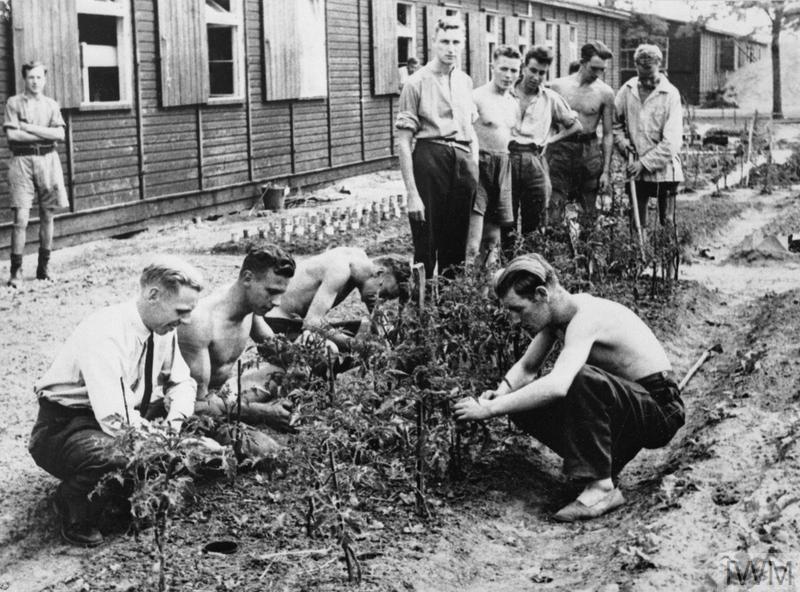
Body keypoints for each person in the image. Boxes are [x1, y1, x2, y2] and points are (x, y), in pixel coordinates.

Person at [454, 254, 684, 521]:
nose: (515, 320)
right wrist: (500, 394)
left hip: (659, 408)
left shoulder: (586, 318)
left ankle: (601, 488)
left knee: (577, 378)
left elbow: (559, 386)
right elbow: (527, 369)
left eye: (517, 309)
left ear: (541, 294)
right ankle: (603, 465)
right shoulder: (557, 319)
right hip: (630, 405)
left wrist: (489, 410)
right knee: (520, 402)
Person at [29, 256, 205, 546]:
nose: (185, 320)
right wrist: (166, 444)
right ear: (153, 295)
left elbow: (182, 381)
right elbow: (116, 421)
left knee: (190, 429)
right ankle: (73, 503)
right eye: (181, 311)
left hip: (124, 414)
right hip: (65, 427)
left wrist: (175, 423)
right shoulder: (106, 332)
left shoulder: (163, 328)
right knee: (118, 457)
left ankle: (119, 496)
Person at [395, 16, 480, 278]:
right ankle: (423, 311)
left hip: (463, 161)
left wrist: (473, 165)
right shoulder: (416, 82)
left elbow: (471, 128)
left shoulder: (465, 81)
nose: (450, 48)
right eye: (445, 41)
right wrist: (412, 194)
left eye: (456, 42)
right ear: (433, 42)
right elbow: (403, 141)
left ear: (463, 44)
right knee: (427, 241)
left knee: (456, 244)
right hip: (430, 158)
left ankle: (450, 311)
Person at [177, 246, 296, 430]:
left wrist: (306, 360)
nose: (278, 302)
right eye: (271, 292)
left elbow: (282, 354)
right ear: (247, 278)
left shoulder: (250, 307)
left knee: (299, 361)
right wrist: (263, 412)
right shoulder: (201, 322)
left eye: (281, 294)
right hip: (197, 405)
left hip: (224, 396)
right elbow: (196, 405)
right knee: (265, 450)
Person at [504, 46, 581, 252]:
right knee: (505, 221)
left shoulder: (550, 98)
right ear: (523, 67)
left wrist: (552, 140)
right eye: (533, 70)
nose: (536, 77)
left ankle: (531, 271)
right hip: (506, 159)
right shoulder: (505, 93)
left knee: (535, 223)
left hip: (534, 159)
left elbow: (575, 125)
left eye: (542, 73)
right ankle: (505, 269)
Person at [260, 247, 410, 351]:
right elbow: (312, 323)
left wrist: (386, 331)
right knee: (340, 350)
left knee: (365, 330)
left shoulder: (359, 261)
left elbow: (375, 315)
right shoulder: (340, 270)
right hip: (276, 326)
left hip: (296, 322)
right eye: (383, 294)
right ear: (379, 272)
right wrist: (354, 345)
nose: (379, 301)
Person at [3, 61, 69, 287]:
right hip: (21, 162)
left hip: (48, 161)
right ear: (25, 79)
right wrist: (45, 134)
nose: (35, 82)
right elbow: (13, 137)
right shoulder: (13, 103)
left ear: (45, 79)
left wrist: (29, 128)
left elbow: (59, 134)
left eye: (39, 77)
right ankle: (16, 271)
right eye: (31, 77)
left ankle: (43, 268)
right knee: (20, 218)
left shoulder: (51, 105)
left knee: (47, 216)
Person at [613, 43, 684, 228]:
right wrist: (621, 142)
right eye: (641, 74)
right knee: (637, 221)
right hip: (634, 167)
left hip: (665, 170)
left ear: (659, 65)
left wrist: (644, 164)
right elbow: (615, 125)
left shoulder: (671, 94)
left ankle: (669, 255)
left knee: (667, 221)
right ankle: (638, 255)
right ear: (636, 66)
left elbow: (672, 141)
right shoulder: (627, 90)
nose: (646, 80)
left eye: (650, 74)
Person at [547, 41, 615, 222]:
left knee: (589, 210)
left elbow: (608, 134)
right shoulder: (557, 87)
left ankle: (588, 249)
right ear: (582, 62)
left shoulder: (605, 92)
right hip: (561, 150)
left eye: (603, 70)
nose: (598, 74)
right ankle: (554, 248)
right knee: (555, 206)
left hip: (589, 151)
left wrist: (606, 171)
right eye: (594, 68)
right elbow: (546, 123)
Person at [466, 45, 520, 269]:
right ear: (493, 67)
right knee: (472, 242)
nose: (508, 75)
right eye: (504, 69)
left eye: (514, 70)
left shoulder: (513, 102)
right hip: (479, 167)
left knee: (493, 240)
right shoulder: (476, 97)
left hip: (503, 167)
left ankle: (485, 293)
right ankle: (460, 291)